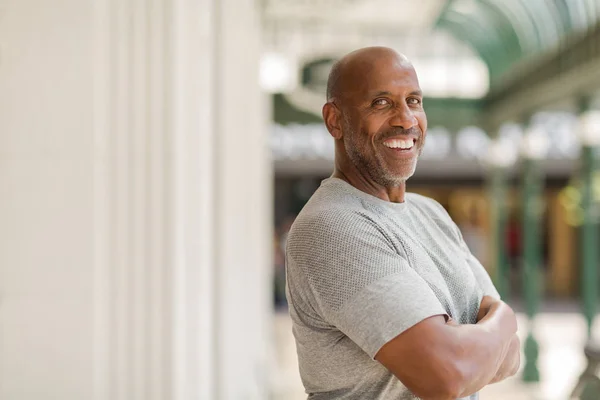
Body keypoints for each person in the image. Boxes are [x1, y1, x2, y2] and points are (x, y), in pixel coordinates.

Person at [284, 47, 520, 400]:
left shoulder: (431, 214)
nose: (405, 119)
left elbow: (511, 357)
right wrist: (503, 319)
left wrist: (474, 342)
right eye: (381, 103)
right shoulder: (333, 227)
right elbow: (447, 377)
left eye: (414, 100)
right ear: (335, 120)